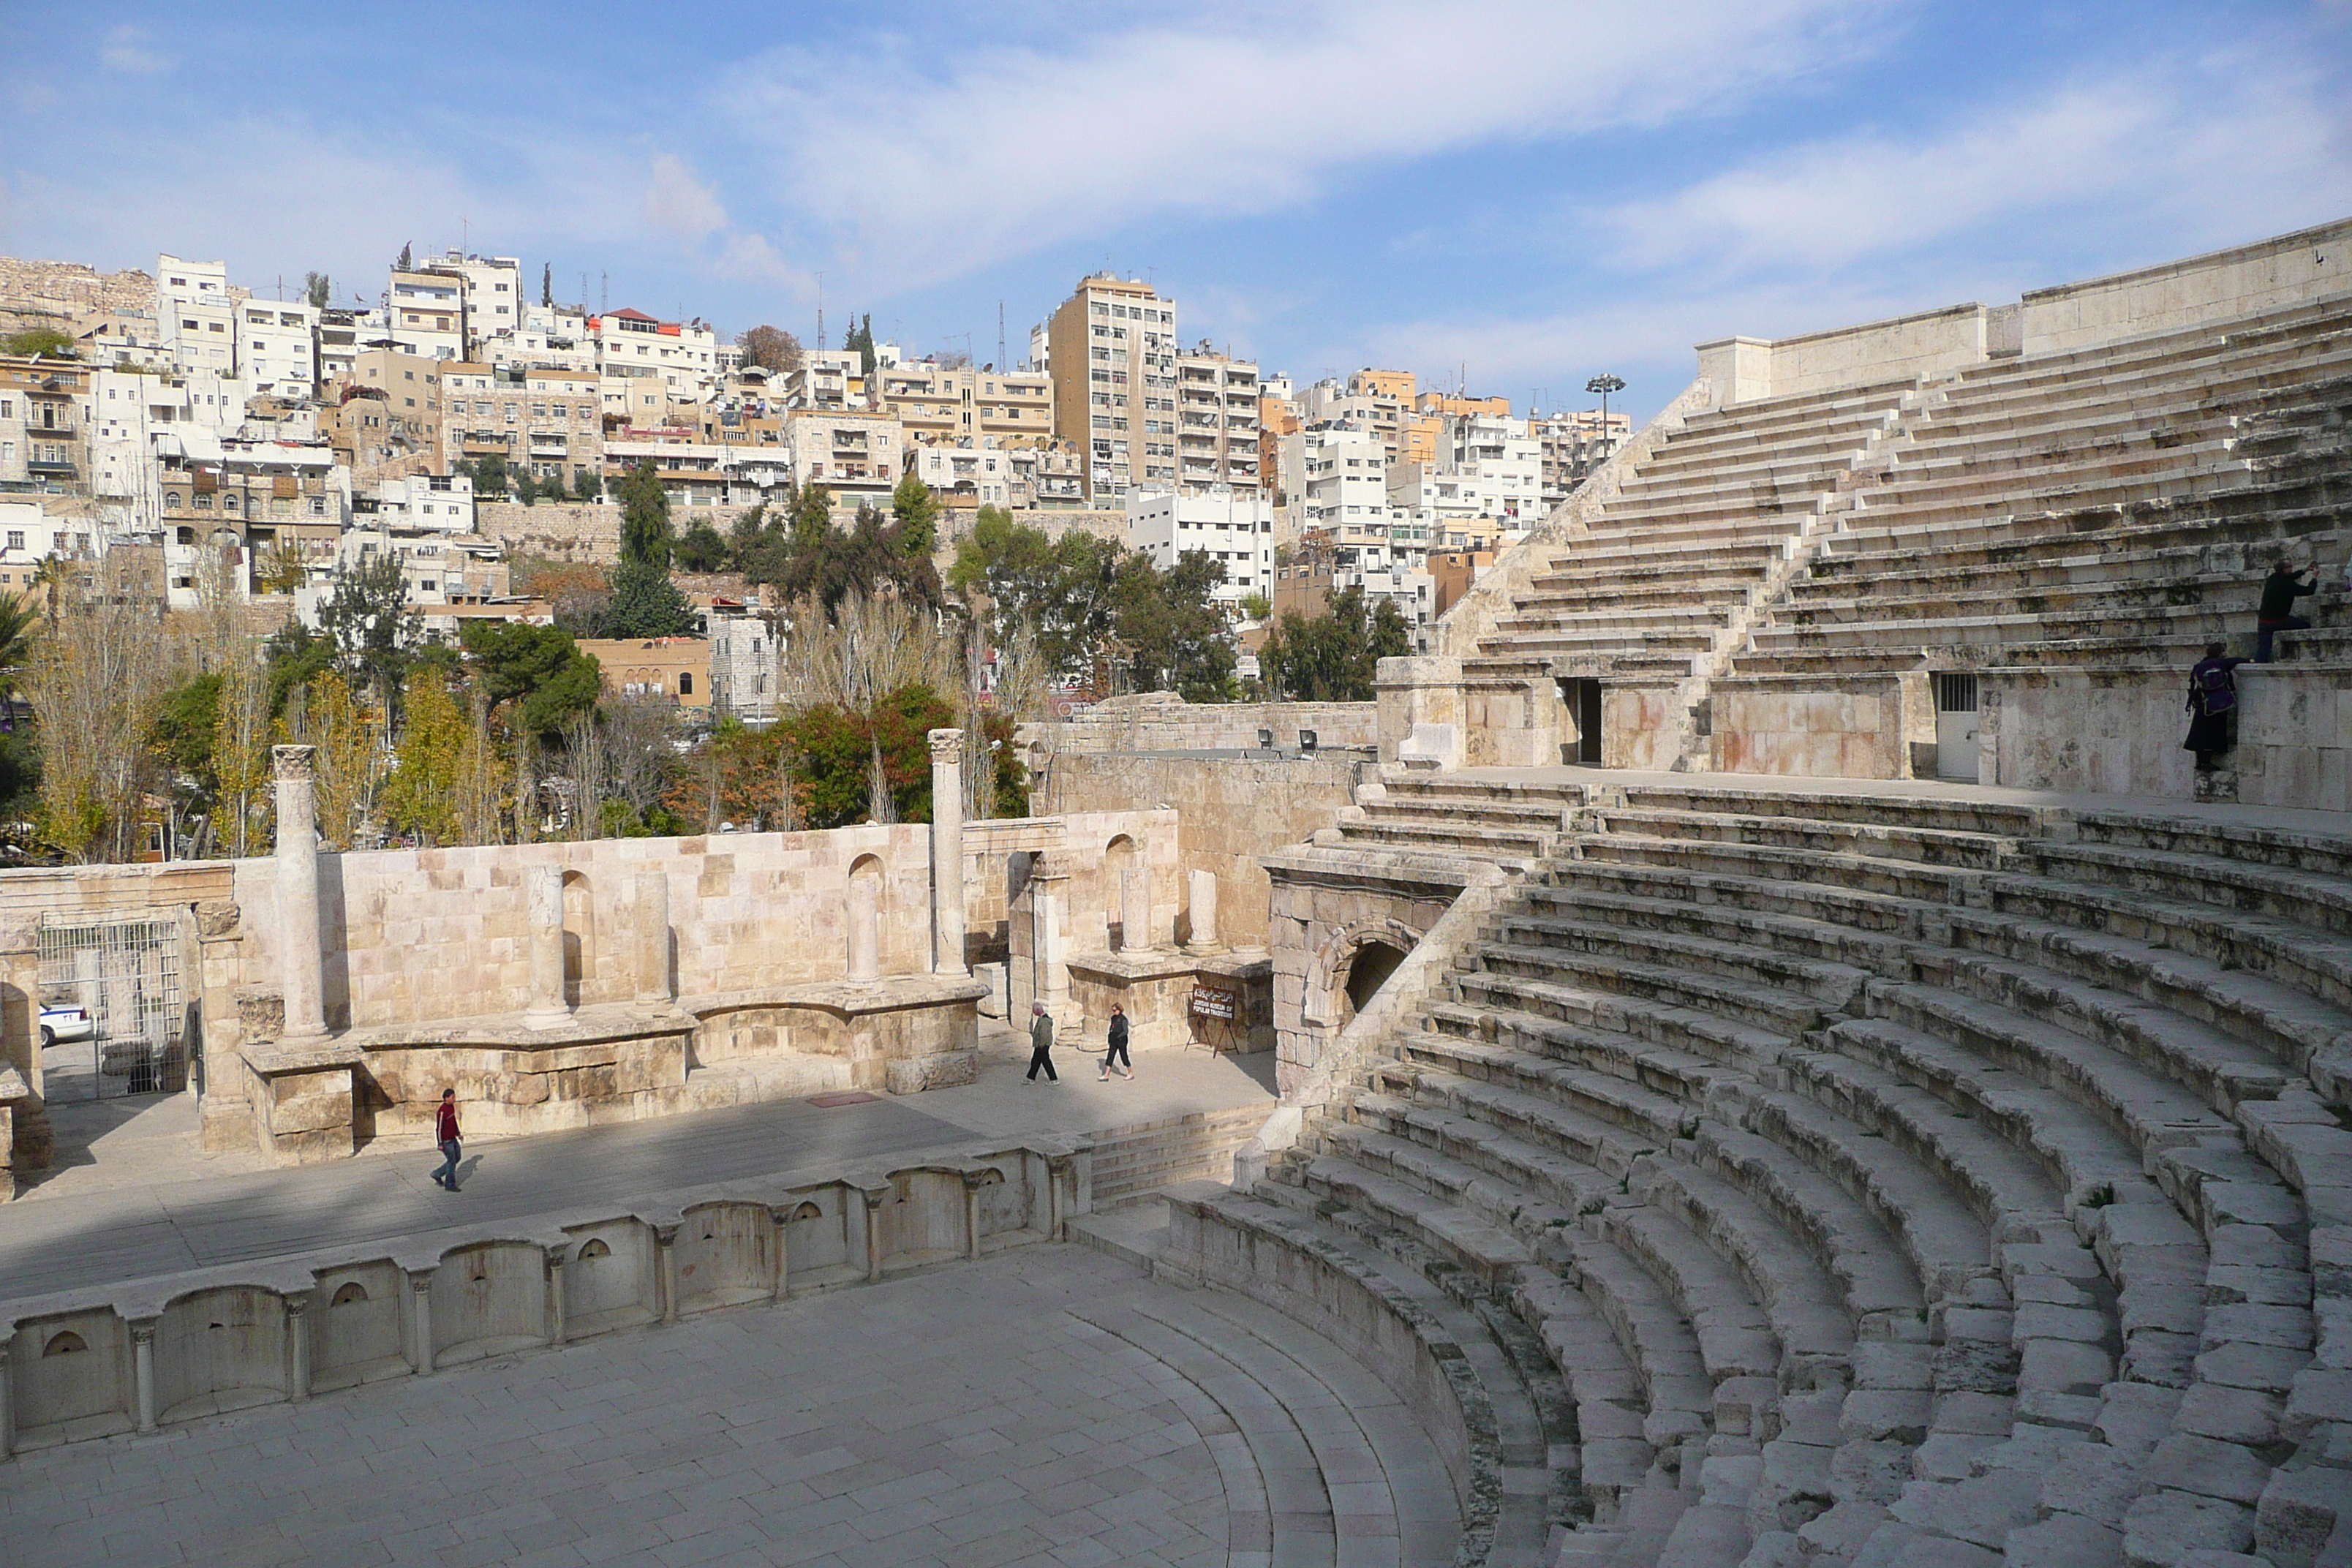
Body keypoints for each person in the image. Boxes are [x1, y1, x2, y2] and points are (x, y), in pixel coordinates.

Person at [2185, 641, 2250, 772]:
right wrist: (2249, 660)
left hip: (2202, 702)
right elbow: (2236, 661)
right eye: (2224, 651)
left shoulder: (2200, 665)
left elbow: (2193, 683)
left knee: (2200, 732)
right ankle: (2206, 762)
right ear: (2221, 653)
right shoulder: (2221, 663)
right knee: (2212, 732)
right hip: (2217, 702)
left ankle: (2201, 761)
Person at [2256, 557, 2317, 663]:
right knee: (2306, 626)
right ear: (2283, 569)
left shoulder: (2272, 578)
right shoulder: (2288, 585)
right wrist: (2314, 578)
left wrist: (2305, 570)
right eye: (2289, 567)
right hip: (2280, 621)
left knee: (2264, 649)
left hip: (2263, 622)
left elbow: (2290, 577)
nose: (2291, 569)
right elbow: (2309, 591)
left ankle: (2259, 663)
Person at [431, 1089, 463, 1191]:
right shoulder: (442, 1111)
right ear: (446, 1098)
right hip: (446, 1142)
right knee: (451, 1161)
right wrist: (440, 1143)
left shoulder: (451, 1107)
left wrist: (458, 1134)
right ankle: (450, 1184)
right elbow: (439, 1128)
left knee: (457, 1158)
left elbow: (453, 1122)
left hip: (453, 1139)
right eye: (453, 1097)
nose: (455, 1099)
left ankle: (437, 1174)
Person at [1025, 1001, 1058, 1084]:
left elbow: (1044, 1034)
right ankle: (1031, 1078)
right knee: (1035, 1061)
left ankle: (1053, 1079)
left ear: (1038, 1010)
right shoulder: (1043, 1019)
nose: (1033, 1012)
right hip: (1040, 1044)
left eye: (1034, 1010)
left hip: (1042, 1045)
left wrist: (1041, 1045)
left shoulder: (1044, 1021)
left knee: (1045, 1061)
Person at [1101, 1003, 1133, 1082]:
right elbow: (1112, 1027)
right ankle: (1106, 1075)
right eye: (1113, 1010)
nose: (1114, 1012)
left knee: (1124, 1056)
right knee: (1110, 1056)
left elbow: (1125, 1031)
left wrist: (1118, 1036)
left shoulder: (1123, 1019)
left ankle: (1130, 1072)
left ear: (1119, 1010)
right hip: (1113, 1040)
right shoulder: (1113, 1018)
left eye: (1115, 1010)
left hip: (1121, 1040)